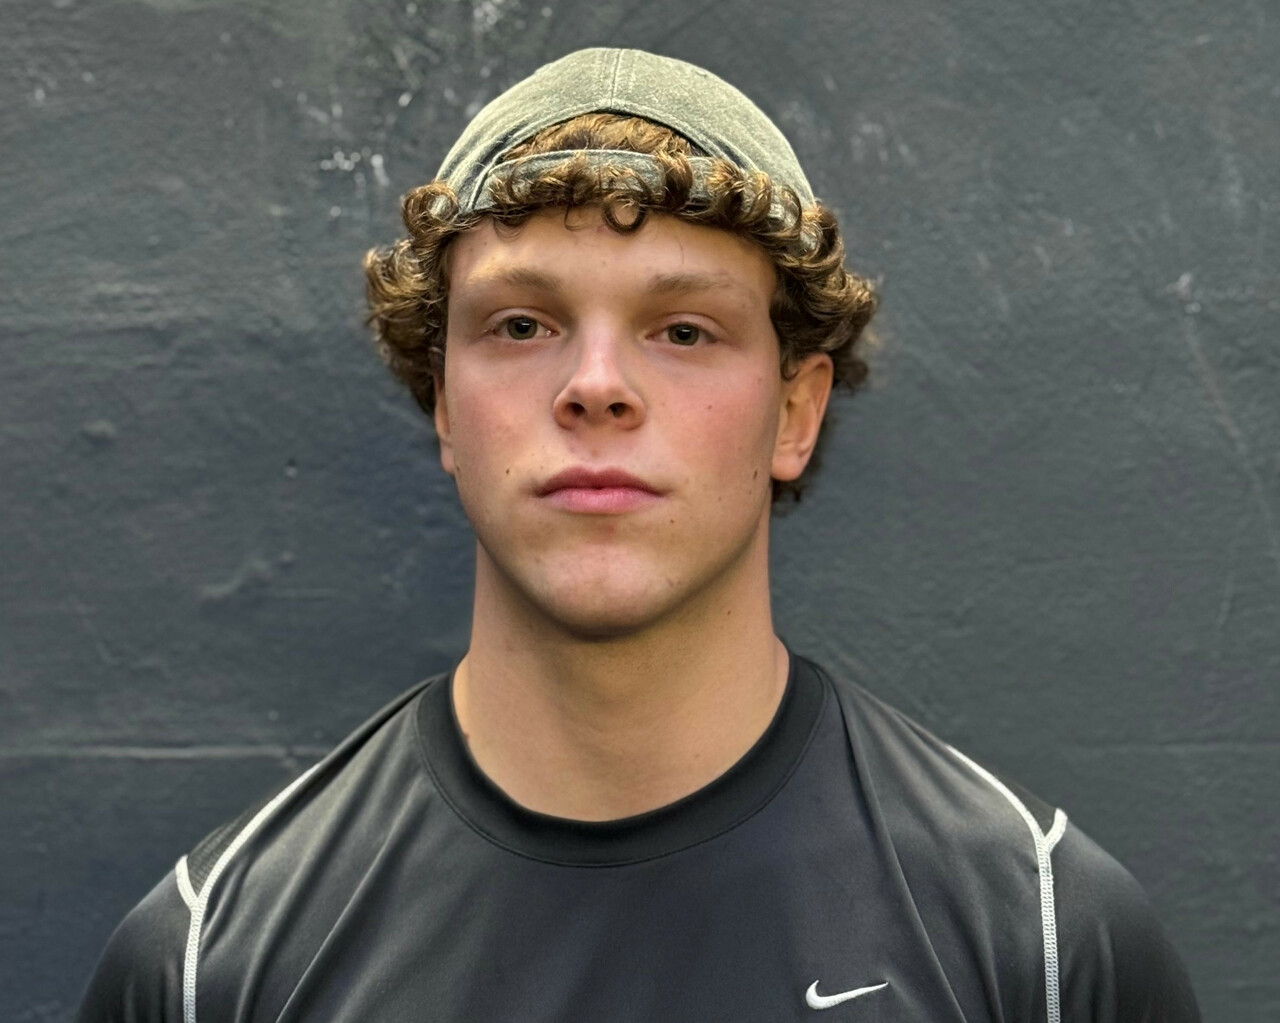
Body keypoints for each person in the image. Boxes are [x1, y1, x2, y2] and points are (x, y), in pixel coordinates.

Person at [77, 47, 1201, 1022]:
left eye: (683, 329)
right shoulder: (210, 961)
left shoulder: (1041, 941)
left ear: (795, 411)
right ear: (443, 403)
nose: (596, 385)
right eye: (522, 323)